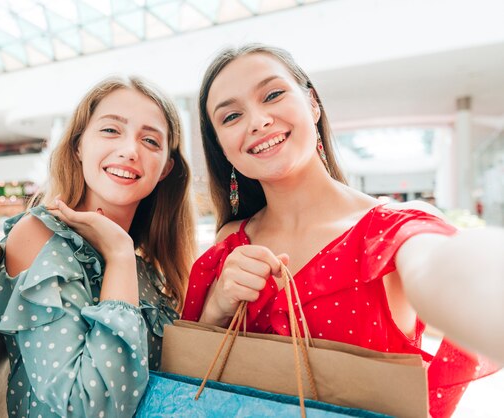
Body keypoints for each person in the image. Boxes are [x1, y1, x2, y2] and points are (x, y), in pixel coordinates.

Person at [181, 44, 503, 418]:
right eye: (232, 116)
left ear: (312, 103)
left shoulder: (392, 230)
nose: (257, 121)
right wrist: (218, 306)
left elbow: (444, 273)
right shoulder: (229, 242)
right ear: (221, 146)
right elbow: (195, 378)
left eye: (272, 94)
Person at [0, 76, 196, 417]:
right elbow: (88, 407)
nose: (130, 150)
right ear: (79, 145)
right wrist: (119, 256)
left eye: (151, 140)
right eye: (111, 130)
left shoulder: (150, 269)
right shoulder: (38, 235)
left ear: (166, 169)